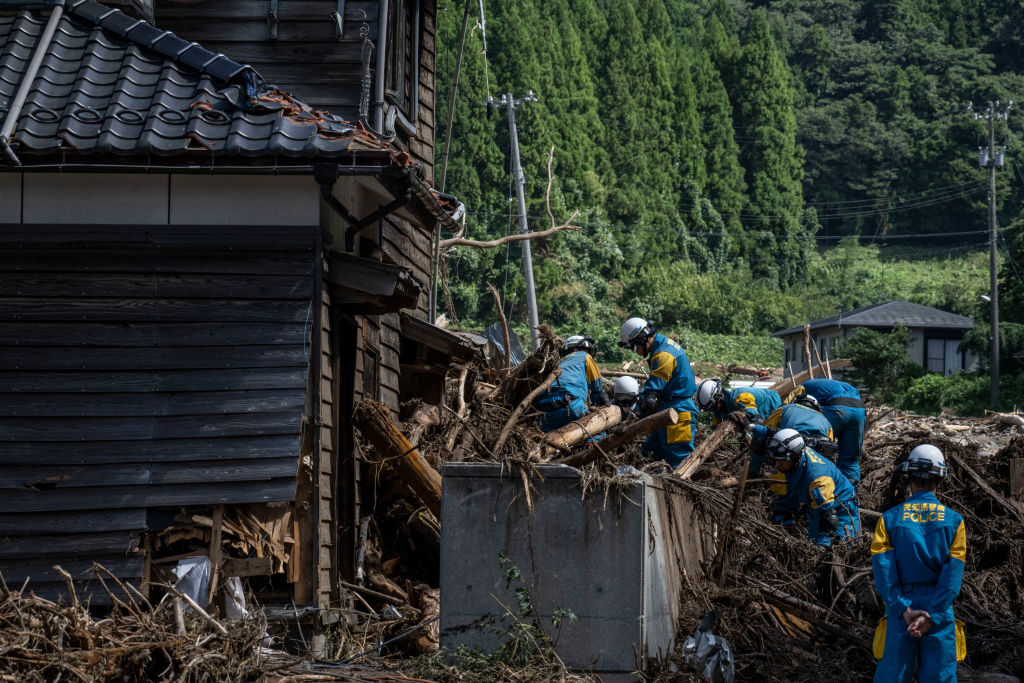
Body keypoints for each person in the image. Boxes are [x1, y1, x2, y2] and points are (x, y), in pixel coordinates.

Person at [871, 444, 966, 683]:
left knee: (891, 676)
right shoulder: (955, 522)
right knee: (940, 677)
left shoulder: (889, 520)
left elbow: (884, 572)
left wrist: (904, 610)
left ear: (908, 477)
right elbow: (952, 576)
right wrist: (931, 614)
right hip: (939, 610)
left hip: (900, 609)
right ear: (941, 480)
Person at [619, 317, 698, 468]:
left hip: (679, 411)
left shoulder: (664, 355)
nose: (635, 353)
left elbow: (652, 391)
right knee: (649, 454)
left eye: (634, 348)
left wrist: (635, 412)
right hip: (667, 407)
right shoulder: (662, 347)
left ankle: (679, 489)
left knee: (678, 459)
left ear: (643, 339)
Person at [765, 428, 859, 546]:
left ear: (795, 457)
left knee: (838, 548)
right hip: (817, 508)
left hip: (841, 508)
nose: (777, 465)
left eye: (782, 461)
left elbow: (829, 519)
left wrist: (824, 546)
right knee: (812, 543)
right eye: (776, 460)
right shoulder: (796, 453)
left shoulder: (817, 479)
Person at [795, 378, 866, 485]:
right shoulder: (838, 385)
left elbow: (788, 406)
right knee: (850, 459)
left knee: (815, 448)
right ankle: (850, 495)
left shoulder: (801, 387)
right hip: (859, 410)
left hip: (836, 407)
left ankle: (813, 487)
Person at [533, 335, 608, 432]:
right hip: (570, 402)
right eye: (587, 350)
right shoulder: (584, 356)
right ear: (577, 349)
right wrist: (597, 406)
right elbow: (597, 387)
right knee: (597, 429)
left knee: (547, 439)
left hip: (544, 407)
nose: (588, 353)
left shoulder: (557, 363)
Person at [740, 400, 835, 476]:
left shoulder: (786, 408)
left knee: (759, 440)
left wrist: (751, 427)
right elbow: (829, 447)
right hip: (814, 462)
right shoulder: (827, 422)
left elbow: (766, 429)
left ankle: (753, 473)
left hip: (787, 452)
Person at [694, 378, 781, 425]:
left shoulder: (739, 398)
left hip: (774, 408)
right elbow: (715, 427)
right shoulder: (719, 408)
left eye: (713, 407)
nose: (713, 411)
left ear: (720, 396)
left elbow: (756, 419)